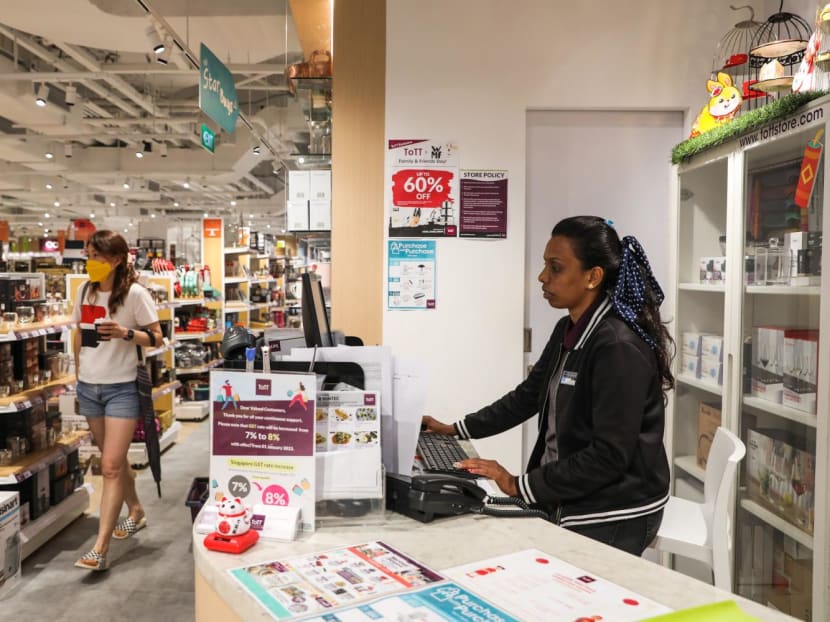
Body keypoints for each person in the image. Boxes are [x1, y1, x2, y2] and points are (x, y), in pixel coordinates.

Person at [423, 216, 673, 556]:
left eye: (555, 268)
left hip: (613, 509)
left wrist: (517, 484)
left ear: (592, 277)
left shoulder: (616, 346)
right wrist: (455, 429)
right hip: (574, 493)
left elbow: (608, 457)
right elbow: (528, 397)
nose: (542, 277)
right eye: (545, 266)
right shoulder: (568, 329)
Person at [72, 230, 163, 570]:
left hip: (122, 388)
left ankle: (100, 548)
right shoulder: (84, 290)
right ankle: (136, 510)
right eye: (88, 255)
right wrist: (78, 375)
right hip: (89, 387)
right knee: (116, 460)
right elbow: (79, 333)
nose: (90, 262)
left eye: (96, 256)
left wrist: (125, 333)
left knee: (109, 466)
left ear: (116, 259)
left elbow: (157, 338)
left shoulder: (136, 295)